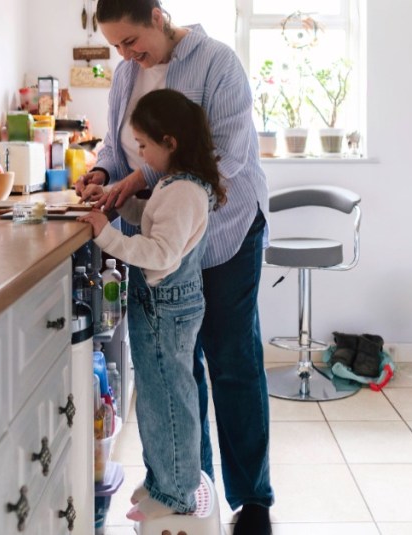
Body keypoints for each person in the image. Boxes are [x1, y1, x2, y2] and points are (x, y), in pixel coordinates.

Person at [75, 1, 273, 532]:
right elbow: (121, 149)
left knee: (231, 362)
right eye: (117, 46)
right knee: (176, 372)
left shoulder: (216, 63)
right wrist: (101, 172)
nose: (126, 55)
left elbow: (226, 156)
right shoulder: (125, 75)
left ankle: (252, 500)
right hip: (164, 245)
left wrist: (141, 180)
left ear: (158, 17)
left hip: (225, 234)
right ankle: (192, 486)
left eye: (131, 42)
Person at [77, 88, 225, 522]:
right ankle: (163, 479)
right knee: (156, 398)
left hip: (166, 308)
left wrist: (107, 234)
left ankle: (176, 492)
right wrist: (124, 204)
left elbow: (161, 253)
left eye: (144, 146)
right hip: (163, 305)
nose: (139, 156)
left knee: (167, 401)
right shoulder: (176, 185)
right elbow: (157, 219)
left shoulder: (182, 192)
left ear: (170, 143)